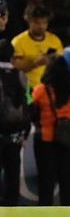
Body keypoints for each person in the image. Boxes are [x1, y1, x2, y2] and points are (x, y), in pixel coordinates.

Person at [31, 56, 70, 206]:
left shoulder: (40, 90)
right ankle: (69, 212)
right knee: (68, 182)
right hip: (68, 140)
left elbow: (32, 110)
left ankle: (45, 213)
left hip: (45, 140)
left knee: (46, 182)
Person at [0, 35, 30, 206]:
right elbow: (26, 104)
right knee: (12, 171)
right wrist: (25, 132)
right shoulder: (21, 75)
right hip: (15, 132)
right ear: (12, 57)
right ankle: (11, 207)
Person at [11, 5, 63, 90]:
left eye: (44, 22)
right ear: (28, 21)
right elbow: (16, 67)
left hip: (50, 89)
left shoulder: (54, 40)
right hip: (27, 89)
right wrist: (37, 63)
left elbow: (61, 65)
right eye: (37, 22)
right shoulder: (18, 42)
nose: (41, 26)